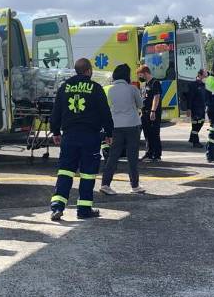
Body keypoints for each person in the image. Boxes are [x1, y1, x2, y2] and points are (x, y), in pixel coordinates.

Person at [49, 58, 113, 221]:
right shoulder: (95, 88)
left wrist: (55, 131)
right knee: (88, 174)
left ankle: (57, 207)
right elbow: (105, 112)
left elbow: (56, 111)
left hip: (69, 136)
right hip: (90, 136)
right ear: (89, 71)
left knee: (65, 172)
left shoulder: (65, 87)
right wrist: (109, 133)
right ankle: (84, 209)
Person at [100, 64, 145, 195]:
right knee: (132, 157)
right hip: (132, 125)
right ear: (127, 75)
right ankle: (135, 186)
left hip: (115, 126)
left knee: (113, 156)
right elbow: (140, 104)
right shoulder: (132, 89)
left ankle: (105, 184)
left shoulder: (109, 89)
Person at [138, 66, 162, 162]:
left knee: (154, 133)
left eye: (140, 74)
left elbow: (156, 97)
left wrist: (153, 111)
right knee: (147, 134)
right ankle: (149, 153)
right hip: (144, 112)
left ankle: (156, 155)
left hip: (152, 113)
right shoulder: (145, 84)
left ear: (145, 73)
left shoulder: (155, 83)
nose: (140, 77)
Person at [188, 69, 207, 148]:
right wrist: (189, 109)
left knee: (201, 122)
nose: (206, 75)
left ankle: (192, 137)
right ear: (199, 75)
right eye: (204, 74)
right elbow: (190, 98)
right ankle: (195, 142)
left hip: (202, 108)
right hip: (195, 108)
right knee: (195, 125)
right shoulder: (193, 85)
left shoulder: (203, 85)